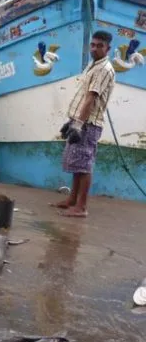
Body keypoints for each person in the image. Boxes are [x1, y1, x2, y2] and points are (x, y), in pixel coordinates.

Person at [51, 30, 115, 218]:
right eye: (93, 45)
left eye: (99, 46)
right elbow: (82, 96)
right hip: (79, 120)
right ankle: (72, 200)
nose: (94, 49)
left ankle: (81, 207)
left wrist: (78, 124)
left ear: (108, 48)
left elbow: (90, 99)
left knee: (84, 165)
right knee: (76, 163)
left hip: (88, 123)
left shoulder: (104, 69)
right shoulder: (93, 65)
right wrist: (72, 121)